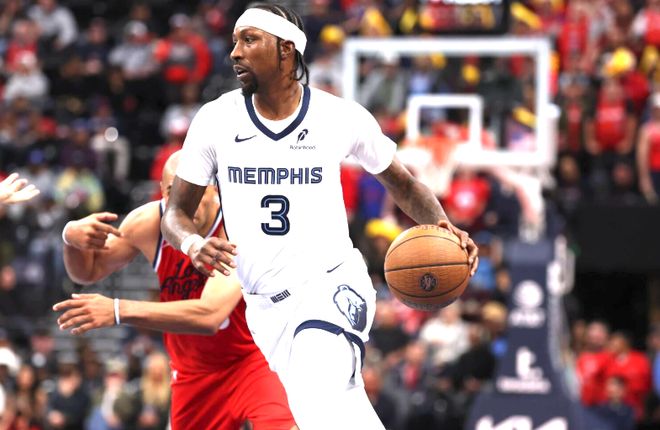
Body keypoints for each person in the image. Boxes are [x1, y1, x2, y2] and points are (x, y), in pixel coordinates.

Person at [160, 4, 479, 429]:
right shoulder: (215, 120)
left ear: (286, 49)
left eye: (250, 40)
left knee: (317, 393)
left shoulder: (338, 116)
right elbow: (175, 213)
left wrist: (443, 224)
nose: (235, 52)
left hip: (331, 284)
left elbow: (403, 184)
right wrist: (192, 243)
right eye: (235, 41)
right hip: (265, 308)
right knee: (331, 416)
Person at [54, 152, 296, 430]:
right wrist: (71, 238)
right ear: (162, 192)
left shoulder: (237, 226)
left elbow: (210, 315)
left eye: (195, 189)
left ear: (214, 188)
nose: (185, 201)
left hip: (251, 360)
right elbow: (87, 272)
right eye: (175, 191)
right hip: (192, 373)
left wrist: (118, 310)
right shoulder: (147, 222)